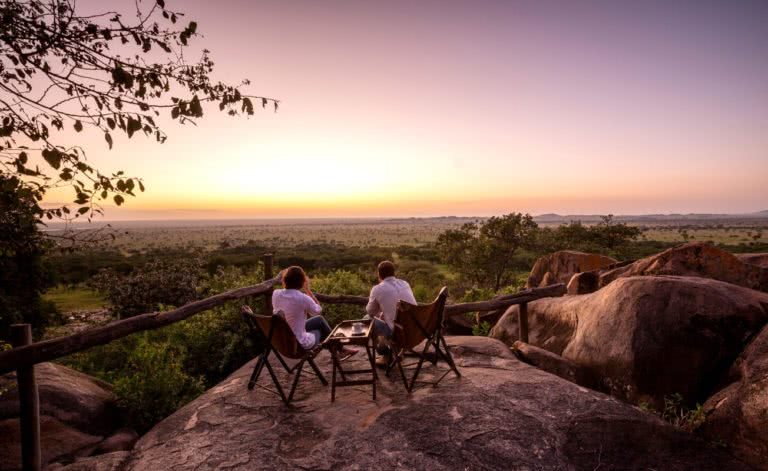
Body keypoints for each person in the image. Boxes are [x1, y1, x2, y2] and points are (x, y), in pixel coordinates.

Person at [243, 266, 357, 360]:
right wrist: (308, 290)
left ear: (285, 280)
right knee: (320, 327)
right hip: (297, 346)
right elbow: (318, 310)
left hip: (282, 339)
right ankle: (339, 351)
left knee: (319, 320)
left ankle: (338, 351)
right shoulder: (302, 298)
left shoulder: (276, 294)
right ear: (302, 282)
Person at [365, 260, 417, 366]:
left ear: (379, 274)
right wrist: (385, 313)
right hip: (415, 330)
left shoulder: (378, 289)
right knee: (387, 319)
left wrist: (381, 312)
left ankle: (386, 354)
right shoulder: (405, 283)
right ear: (394, 273)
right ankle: (396, 352)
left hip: (398, 335)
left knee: (367, 319)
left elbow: (370, 311)